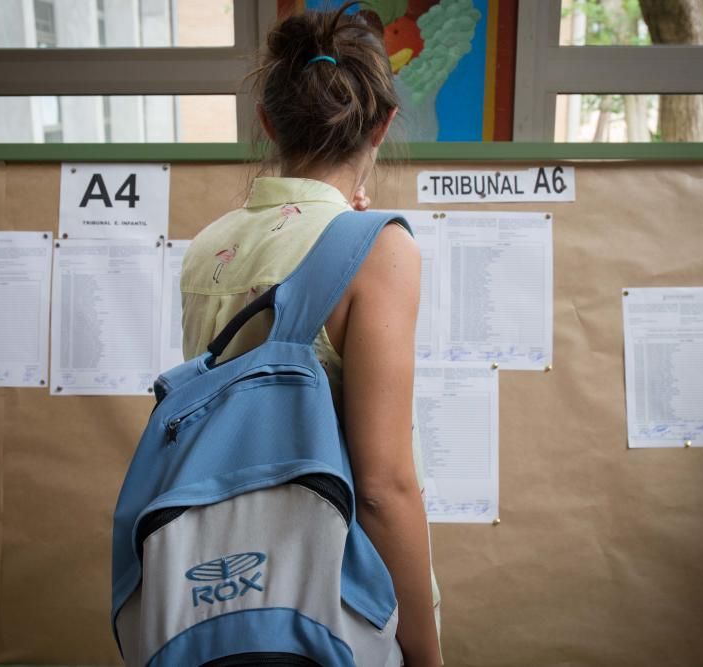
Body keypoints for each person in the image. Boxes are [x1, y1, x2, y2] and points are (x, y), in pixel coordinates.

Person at [179, 3, 442, 665]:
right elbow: (380, 487)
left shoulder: (207, 247)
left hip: (217, 596)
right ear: (382, 124)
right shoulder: (375, 247)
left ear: (267, 121)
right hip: (330, 608)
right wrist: (427, 651)